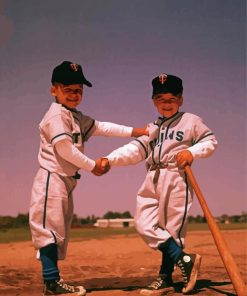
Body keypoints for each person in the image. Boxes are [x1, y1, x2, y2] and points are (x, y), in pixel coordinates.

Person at [29, 61, 148, 296]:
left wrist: (136, 131)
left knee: (58, 232)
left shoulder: (73, 115)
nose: (74, 94)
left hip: (66, 181)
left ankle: (52, 282)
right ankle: (52, 283)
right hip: (51, 180)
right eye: (68, 89)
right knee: (48, 231)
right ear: (54, 90)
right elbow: (65, 150)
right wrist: (92, 165)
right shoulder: (55, 116)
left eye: (79, 90)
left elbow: (102, 127)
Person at [101, 73, 218, 295]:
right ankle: (185, 260)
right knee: (144, 223)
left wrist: (191, 151)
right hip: (152, 176)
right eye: (161, 99)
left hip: (176, 176)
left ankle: (164, 278)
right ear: (154, 101)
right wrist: (110, 159)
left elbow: (210, 141)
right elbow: (135, 149)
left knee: (172, 230)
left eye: (172, 99)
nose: (166, 104)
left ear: (181, 99)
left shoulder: (191, 120)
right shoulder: (153, 127)